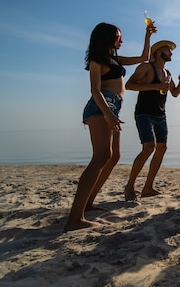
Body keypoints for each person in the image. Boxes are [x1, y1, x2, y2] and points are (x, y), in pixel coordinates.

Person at [65, 21, 155, 231]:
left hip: (112, 109)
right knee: (101, 157)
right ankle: (74, 219)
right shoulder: (98, 60)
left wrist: (148, 36)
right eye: (117, 36)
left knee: (113, 156)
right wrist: (108, 114)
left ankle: (88, 203)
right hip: (100, 109)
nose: (121, 40)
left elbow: (144, 58)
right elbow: (95, 90)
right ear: (106, 38)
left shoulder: (114, 59)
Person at [123, 40, 180, 201]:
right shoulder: (146, 67)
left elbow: (174, 93)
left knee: (162, 148)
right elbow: (129, 85)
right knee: (149, 147)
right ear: (158, 52)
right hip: (144, 113)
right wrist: (154, 86)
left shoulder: (168, 73)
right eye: (168, 51)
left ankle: (148, 187)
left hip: (161, 115)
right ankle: (129, 186)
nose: (171, 53)